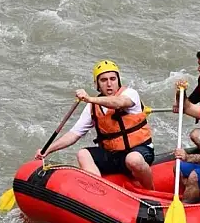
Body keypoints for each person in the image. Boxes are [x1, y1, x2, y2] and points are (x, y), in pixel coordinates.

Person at [35, 60, 155, 190]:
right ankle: (99, 192)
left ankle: (151, 191)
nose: (109, 84)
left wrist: (89, 99)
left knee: (133, 160)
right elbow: (74, 134)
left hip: (140, 150)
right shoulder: (92, 107)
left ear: (118, 80)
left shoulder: (130, 94)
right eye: (103, 80)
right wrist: (48, 150)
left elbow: (119, 102)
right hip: (113, 155)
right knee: (83, 153)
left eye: (113, 79)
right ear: (97, 84)